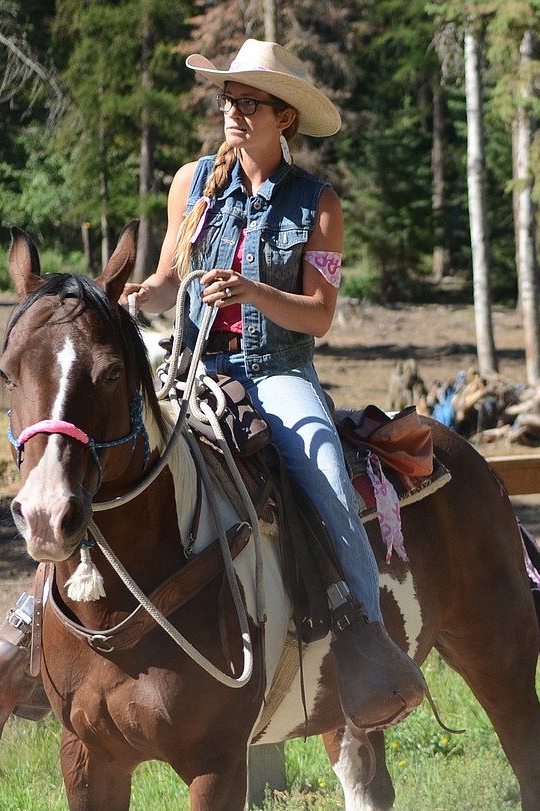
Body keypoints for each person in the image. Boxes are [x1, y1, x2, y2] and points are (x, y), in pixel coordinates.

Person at [123, 39, 426, 732]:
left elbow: (318, 317)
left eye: (247, 101)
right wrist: (145, 294)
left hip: (278, 372)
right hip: (193, 365)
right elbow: (171, 280)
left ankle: (367, 643)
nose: (232, 110)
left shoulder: (317, 204)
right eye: (227, 98)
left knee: (323, 465)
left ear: (284, 117)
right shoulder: (191, 184)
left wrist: (254, 292)